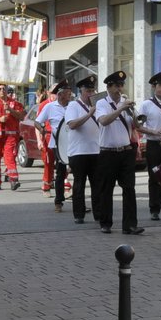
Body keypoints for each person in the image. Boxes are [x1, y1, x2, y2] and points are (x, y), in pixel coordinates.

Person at [94, 71, 144, 235]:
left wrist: (134, 114)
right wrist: (120, 108)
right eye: (116, 86)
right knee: (106, 189)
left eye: (121, 85)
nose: (119, 89)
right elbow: (103, 121)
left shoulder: (125, 102)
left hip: (126, 152)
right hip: (107, 153)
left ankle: (130, 225)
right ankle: (105, 223)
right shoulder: (101, 103)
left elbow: (136, 125)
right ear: (108, 87)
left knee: (129, 189)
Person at [62, 76, 100, 224]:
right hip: (78, 152)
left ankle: (99, 214)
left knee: (97, 185)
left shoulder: (98, 106)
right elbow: (72, 124)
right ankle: (79, 214)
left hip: (95, 151)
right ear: (81, 91)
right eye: (88, 91)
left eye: (92, 90)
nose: (91, 94)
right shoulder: (73, 106)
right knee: (79, 184)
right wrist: (89, 114)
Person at [138, 72, 161, 221]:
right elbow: (138, 126)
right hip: (154, 143)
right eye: (160, 85)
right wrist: (153, 131)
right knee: (155, 176)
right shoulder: (146, 104)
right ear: (153, 86)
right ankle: (155, 208)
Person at [36, 82, 72, 210]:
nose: (70, 94)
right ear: (60, 94)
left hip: (73, 143)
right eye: (68, 93)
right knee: (61, 172)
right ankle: (58, 201)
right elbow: (37, 122)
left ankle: (80, 203)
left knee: (78, 172)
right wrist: (41, 130)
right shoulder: (50, 107)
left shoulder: (73, 106)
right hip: (57, 144)